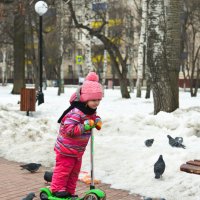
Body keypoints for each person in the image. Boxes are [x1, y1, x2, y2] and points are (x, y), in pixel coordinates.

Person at [50, 72, 103, 198]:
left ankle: (69, 191)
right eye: (93, 100)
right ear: (85, 99)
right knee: (63, 170)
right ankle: (57, 189)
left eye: (98, 100)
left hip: (77, 151)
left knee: (74, 172)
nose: (96, 103)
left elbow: (92, 119)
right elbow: (69, 129)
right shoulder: (76, 112)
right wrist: (85, 126)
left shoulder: (89, 111)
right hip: (65, 149)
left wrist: (97, 121)